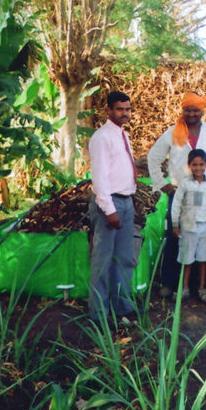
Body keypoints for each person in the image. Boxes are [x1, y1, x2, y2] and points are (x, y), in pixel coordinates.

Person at [147, 91, 206, 300]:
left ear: (202, 111)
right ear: (183, 110)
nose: (192, 113)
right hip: (179, 195)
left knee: (203, 237)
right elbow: (153, 157)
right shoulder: (172, 133)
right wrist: (163, 185)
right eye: (188, 109)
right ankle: (170, 283)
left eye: (196, 110)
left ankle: (199, 284)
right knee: (174, 237)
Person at [88, 90, 138, 323]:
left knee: (124, 259)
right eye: (120, 109)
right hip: (110, 204)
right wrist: (109, 210)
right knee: (103, 260)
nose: (125, 113)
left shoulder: (123, 136)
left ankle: (122, 307)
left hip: (126, 201)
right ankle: (99, 315)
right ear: (108, 110)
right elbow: (99, 178)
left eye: (127, 109)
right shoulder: (101, 137)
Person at [172, 149, 206, 304]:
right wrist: (175, 224)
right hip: (187, 226)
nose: (198, 168)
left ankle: (202, 288)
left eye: (201, 164)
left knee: (204, 258)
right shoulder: (185, 184)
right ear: (189, 166)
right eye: (194, 164)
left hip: (204, 226)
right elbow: (176, 204)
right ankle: (184, 288)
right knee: (186, 259)